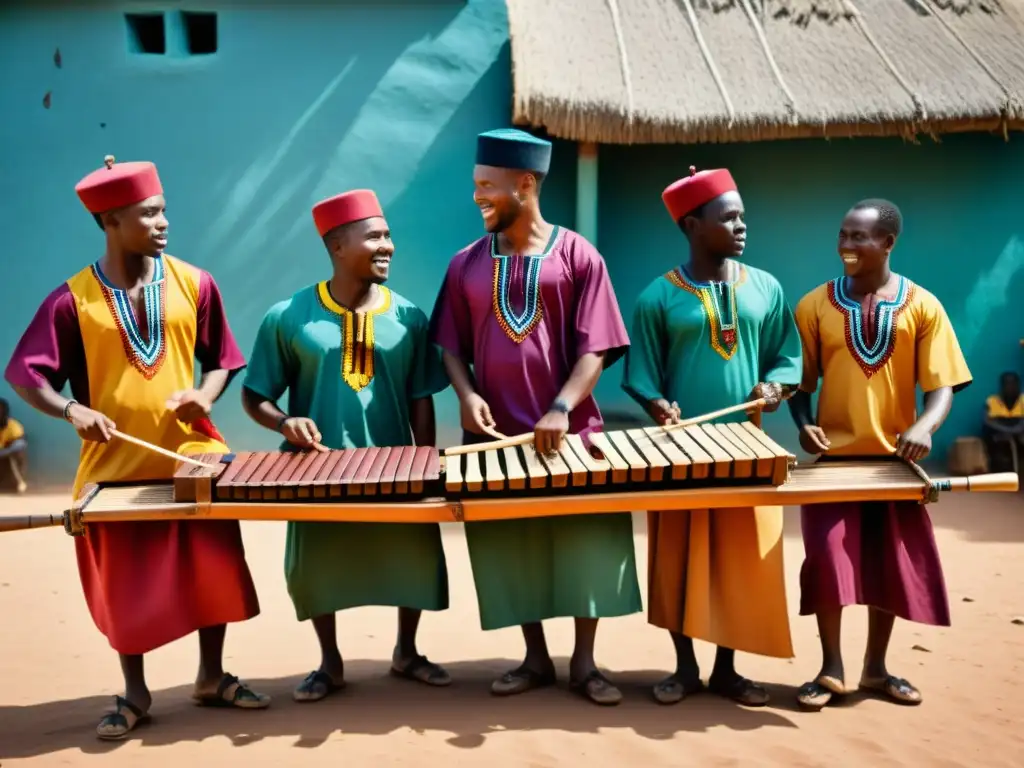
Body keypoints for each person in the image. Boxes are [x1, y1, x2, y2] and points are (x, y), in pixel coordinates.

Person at [3, 155, 267, 740]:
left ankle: (211, 676)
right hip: (112, 471)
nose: (163, 221)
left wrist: (204, 394)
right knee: (125, 588)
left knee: (214, 569)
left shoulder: (195, 283)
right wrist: (72, 408)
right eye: (149, 213)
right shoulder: (71, 301)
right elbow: (25, 375)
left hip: (193, 459)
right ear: (111, 221)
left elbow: (224, 358)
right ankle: (136, 692)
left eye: (163, 209)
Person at [428, 128, 640, 706]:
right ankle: (534, 658)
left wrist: (561, 407)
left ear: (525, 184)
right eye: (475, 185)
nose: (478, 197)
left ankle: (587, 664)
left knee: (585, 544)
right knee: (510, 547)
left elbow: (596, 348)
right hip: (495, 441)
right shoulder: (465, 264)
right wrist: (467, 396)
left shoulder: (578, 256)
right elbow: (450, 345)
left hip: (571, 436)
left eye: (487, 186)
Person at [241, 188, 452, 703]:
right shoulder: (287, 317)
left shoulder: (410, 317)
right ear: (337, 245)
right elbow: (255, 395)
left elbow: (421, 397)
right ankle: (329, 663)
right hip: (316, 473)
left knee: (412, 557)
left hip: (396, 467)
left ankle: (406, 650)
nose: (388, 246)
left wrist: (424, 464)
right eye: (375, 236)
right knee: (317, 565)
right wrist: (285, 422)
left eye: (389, 236)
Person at [621, 166, 802, 707]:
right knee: (679, 553)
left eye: (742, 215)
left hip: (749, 449)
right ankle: (683, 667)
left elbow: (787, 356)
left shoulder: (765, 287)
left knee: (738, 556)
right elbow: (642, 373)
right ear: (694, 225)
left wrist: (776, 387)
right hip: (680, 451)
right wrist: (657, 405)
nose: (743, 225)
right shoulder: (657, 297)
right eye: (730, 217)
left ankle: (727, 668)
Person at [788, 198, 972, 710]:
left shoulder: (923, 306)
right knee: (827, 562)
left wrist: (925, 426)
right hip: (832, 466)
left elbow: (942, 387)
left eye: (859, 237)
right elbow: (800, 388)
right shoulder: (814, 306)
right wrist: (804, 426)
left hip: (896, 465)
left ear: (888, 243)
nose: (846, 246)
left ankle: (875, 668)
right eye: (842, 234)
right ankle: (830, 668)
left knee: (887, 565)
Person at [982, 371, 1024, 470]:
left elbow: (1021, 426)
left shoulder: (1023, 401)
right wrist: (1006, 432)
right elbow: (987, 422)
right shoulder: (992, 402)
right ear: (1002, 386)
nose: (1010, 387)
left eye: (1013, 384)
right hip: (998, 440)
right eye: (1007, 384)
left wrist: (1012, 433)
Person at [0, 398, 28, 493]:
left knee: (18, 453)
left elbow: (21, 443)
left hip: (6, 458)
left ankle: (20, 483)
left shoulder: (13, 426)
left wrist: (5, 452)